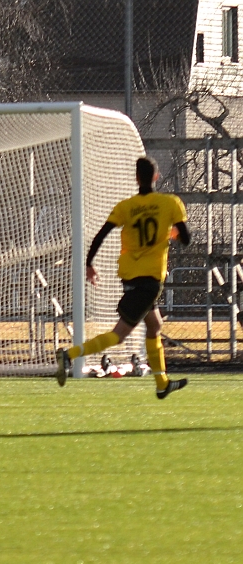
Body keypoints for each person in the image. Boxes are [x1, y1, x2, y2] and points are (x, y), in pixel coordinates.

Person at [55, 157, 191, 399]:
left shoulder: (126, 207)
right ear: (157, 177)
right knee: (119, 335)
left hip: (130, 277)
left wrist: (89, 264)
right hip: (150, 280)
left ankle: (162, 383)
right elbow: (187, 238)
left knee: (155, 325)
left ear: (136, 179)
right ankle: (69, 355)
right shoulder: (170, 203)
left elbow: (101, 235)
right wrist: (172, 234)